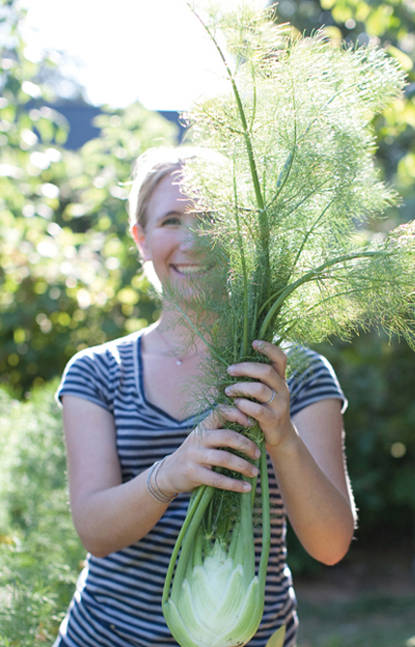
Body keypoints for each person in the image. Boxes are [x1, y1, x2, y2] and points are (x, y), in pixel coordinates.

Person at [54, 146, 357, 647]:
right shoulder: (96, 372)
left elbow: (330, 545)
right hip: (106, 636)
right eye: (172, 219)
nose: (193, 239)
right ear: (142, 239)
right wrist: (171, 474)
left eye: (213, 218)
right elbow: (94, 531)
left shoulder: (294, 373)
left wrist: (281, 436)